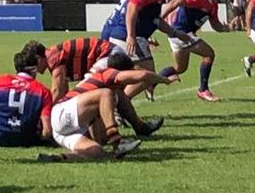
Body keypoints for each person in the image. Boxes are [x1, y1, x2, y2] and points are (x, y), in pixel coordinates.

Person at [38, 54, 175, 162]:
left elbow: (98, 132)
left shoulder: (107, 91)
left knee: (98, 152)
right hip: (63, 111)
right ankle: (117, 142)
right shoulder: (108, 73)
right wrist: (164, 79)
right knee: (106, 93)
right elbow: (143, 75)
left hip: (62, 130)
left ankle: (58, 158)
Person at [96, 0, 196, 101]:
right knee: (146, 75)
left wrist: (176, 33)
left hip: (125, 33)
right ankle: (117, 104)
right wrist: (130, 36)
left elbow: (155, 20)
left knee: (128, 75)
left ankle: (115, 104)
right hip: (123, 33)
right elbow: (132, 8)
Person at [158, 0, 232, 102]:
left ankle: (151, 82)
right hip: (181, 33)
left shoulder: (213, 5)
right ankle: (203, 90)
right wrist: (159, 20)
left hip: (182, 35)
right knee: (209, 54)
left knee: (179, 68)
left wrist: (227, 28)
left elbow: (216, 25)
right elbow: (174, 3)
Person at [42, 35, 117, 102]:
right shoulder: (53, 54)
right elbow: (62, 92)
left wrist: (45, 111)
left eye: (33, 67)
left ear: (39, 58)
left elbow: (56, 91)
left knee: (83, 89)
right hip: (110, 52)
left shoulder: (53, 59)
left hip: (108, 53)